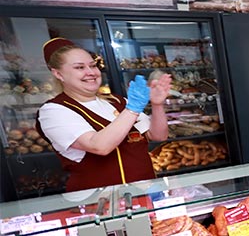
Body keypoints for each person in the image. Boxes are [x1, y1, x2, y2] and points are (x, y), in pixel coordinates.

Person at [36, 37, 172, 192]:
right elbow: (99, 146)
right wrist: (133, 109)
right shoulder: (54, 111)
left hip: (145, 191)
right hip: (98, 200)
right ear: (58, 74)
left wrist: (157, 104)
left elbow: (158, 136)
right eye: (79, 67)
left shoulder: (117, 101)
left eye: (93, 65)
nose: (91, 72)